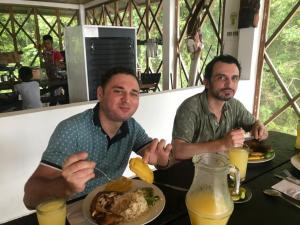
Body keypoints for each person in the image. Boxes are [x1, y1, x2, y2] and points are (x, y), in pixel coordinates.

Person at [23, 67, 172, 209]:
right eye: (118, 91)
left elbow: (153, 155)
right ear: (100, 94)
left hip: (115, 202)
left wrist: (163, 161)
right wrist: (66, 186)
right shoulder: (71, 130)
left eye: (134, 93)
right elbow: (29, 199)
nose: (127, 99)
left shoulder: (132, 126)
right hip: (76, 209)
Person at [172, 54, 268, 160]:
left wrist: (259, 126)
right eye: (221, 78)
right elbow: (178, 151)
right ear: (206, 82)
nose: (229, 84)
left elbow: (254, 124)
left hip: (224, 169)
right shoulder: (190, 107)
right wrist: (223, 144)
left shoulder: (234, 105)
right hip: (193, 172)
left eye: (234, 78)